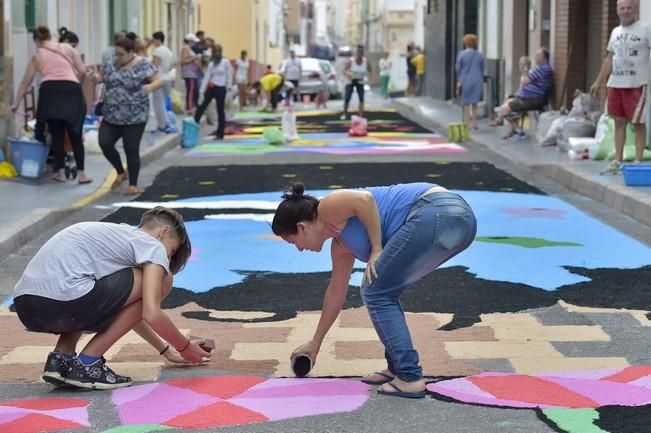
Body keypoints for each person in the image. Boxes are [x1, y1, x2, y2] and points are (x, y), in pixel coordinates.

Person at [272, 182, 476, 399]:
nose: (299, 249)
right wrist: (316, 343)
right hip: (461, 222)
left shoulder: (327, 208)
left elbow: (365, 200)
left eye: (293, 241)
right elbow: (336, 293)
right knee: (384, 289)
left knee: (375, 291)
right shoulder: (341, 245)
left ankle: (410, 377)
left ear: (302, 227)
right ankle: (397, 367)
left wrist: (377, 248)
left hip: (436, 212)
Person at [13, 206, 210, 390]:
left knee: (83, 283)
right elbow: (150, 313)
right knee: (163, 281)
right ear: (163, 232)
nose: (167, 259)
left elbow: (126, 314)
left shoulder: (116, 239)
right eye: (172, 251)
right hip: (66, 301)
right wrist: (185, 348)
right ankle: (88, 363)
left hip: (26, 306)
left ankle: (61, 359)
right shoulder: (153, 246)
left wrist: (165, 349)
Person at [11, 25, 91, 184]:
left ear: (36, 40)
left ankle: (61, 173)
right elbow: (82, 71)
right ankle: (82, 175)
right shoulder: (67, 48)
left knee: (57, 134)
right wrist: (76, 85)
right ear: (50, 36)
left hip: (50, 93)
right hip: (72, 91)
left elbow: (25, 83)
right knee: (75, 134)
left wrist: (16, 103)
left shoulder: (37, 55)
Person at [89, 33, 162, 196]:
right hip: (111, 114)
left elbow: (158, 80)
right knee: (105, 142)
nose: (118, 57)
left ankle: (133, 184)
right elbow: (101, 78)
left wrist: (149, 88)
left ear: (130, 52)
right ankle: (121, 171)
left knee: (131, 148)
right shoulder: (110, 63)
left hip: (134, 116)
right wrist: (94, 78)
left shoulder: (143, 64)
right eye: (116, 53)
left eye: (121, 54)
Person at [591, 0, 651, 174]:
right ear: (617, 10)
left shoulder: (645, 28)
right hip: (616, 84)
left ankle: (638, 162)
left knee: (638, 122)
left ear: (636, 10)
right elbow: (609, 58)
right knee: (618, 122)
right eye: (622, 8)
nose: (626, 11)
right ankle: (618, 161)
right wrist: (598, 81)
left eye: (629, 8)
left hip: (636, 85)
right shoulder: (615, 32)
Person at [489, 47, 554, 139]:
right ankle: (510, 128)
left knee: (505, 108)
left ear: (543, 58)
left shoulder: (542, 69)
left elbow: (525, 81)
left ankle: (515, 129)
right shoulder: (541, 68)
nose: (535, 58)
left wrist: (525, 72)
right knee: (506, 103)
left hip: (532, 99)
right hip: (529, 97)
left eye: (537, 56)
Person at [194, 44, 232, 139]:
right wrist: (201, 92)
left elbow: (229, 75)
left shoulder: (225, 62)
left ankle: (220, 134)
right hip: (212, 87)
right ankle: (194, 126)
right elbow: (206, 77)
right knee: (202, 106)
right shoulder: (211, 64)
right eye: (215, 51)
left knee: (220, 110)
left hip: (221, 88)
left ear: (221, 52)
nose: (217, 53)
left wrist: (229, 89)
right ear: (212, 53)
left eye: (218, 51)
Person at [455, 34, 485, 130]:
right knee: (474, 102)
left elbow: (458, 68)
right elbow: (482, 68)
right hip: (477, 79)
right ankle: (474, 123)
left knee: (466, 103)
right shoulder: (479, 55)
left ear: (465, 43)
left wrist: (459, 80)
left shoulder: (461, 55)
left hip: (466, 80)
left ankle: (467, 123)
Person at [151, 31, 175, 133]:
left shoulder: (158, 51)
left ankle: (163, 124)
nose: (153, 42)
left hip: (159, 78)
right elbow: (171, 65)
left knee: (158, 103)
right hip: (167, 78)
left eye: (153, 40)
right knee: (163, 102)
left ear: (157, 39)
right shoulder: (168, 51)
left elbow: (155, 65)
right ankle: (165, 124)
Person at [341, 45, 371, 120]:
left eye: (360, 56)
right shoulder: (351, 61)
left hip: (360, 80)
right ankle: (345, 113)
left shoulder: (366, 62)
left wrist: (370, 79)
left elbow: (370, 70)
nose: (359, 58)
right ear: (356, 55)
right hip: (351, 80)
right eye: (358, 55)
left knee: (361, 97)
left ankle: (360, 115)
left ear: (362, 56)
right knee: (347, 97)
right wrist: (348, 74)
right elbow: (344, 70)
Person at [181, 33, 202, 113]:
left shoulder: (189, 49)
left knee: (193, 90)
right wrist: (194, 58)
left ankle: (191, 106)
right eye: (193, 42)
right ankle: (189, 107)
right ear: (190, 41)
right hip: (189, 73)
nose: (194, 44)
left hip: (193, 73)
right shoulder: (185, 48)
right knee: (191, 90)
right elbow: (183, 61)